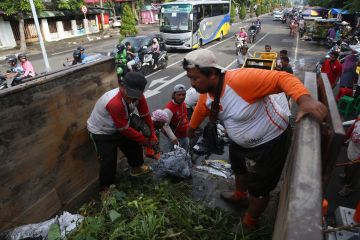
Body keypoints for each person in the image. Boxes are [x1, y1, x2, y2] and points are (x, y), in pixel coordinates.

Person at [182, 49, 327, 229]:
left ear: (212, 74)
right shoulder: (207, 92)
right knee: (239, 169)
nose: (192, 83)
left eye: (195, 78)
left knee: (259, 188)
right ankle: (239, 195)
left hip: (270, 142)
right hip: (239, 143)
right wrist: (191, 129)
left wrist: (304, 100)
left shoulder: (241, 80)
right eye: (190, 78)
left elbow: (281, 78)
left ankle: (251, 220)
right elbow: (201, 109)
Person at [87, 72, 158, 189]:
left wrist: (152, 135)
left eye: (135, 95)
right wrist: (144, 141)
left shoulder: (139, 97)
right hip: (101, 132)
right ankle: (105, 189)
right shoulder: (115, 103)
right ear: (122, 86)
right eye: (129, 94)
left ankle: (137, 168)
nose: (131, 98)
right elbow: (124, 129)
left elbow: (145, 115)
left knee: (134, 148)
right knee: (108, 161)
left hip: (120, 127)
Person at [338, 116, 360, 197]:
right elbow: (352, 127)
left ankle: (349, 188)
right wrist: (345, 138)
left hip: (358, 157)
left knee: (354, 173)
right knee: (348, 166)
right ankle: (346, 175)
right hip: (352, 149)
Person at [163, 84, 189, 151]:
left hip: (185, 136)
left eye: (183, 94)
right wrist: (173, 138)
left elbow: (185, 118)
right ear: (174, 95)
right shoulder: (169, 109)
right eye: (179, 94)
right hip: (176, 139)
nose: (181, 97)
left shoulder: (183, 104)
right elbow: (165, 126)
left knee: (185, 154)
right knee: (176, 158)